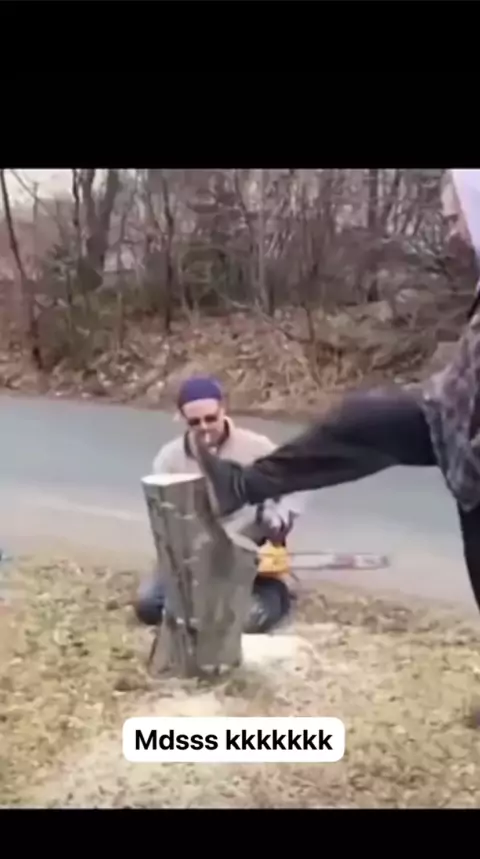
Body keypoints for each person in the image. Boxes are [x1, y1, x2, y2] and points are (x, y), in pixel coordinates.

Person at [192, 170, 480, 613]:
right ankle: (242, 485)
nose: (455, 233)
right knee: (364, 419)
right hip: (448, 412)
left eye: (456, 219)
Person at [134, 376, 304, 633]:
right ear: (182, 419)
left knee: (244, 619)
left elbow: (298, 482)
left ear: (223, 409)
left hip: (249, 552)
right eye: (195, 422)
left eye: (210, 418)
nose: (204, 427)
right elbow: (163, 516)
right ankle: (201, 603)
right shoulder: (169, 460)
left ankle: (278, 595)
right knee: (150, 606)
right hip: (192, 555)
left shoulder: (257, 448)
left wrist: (280, 512)